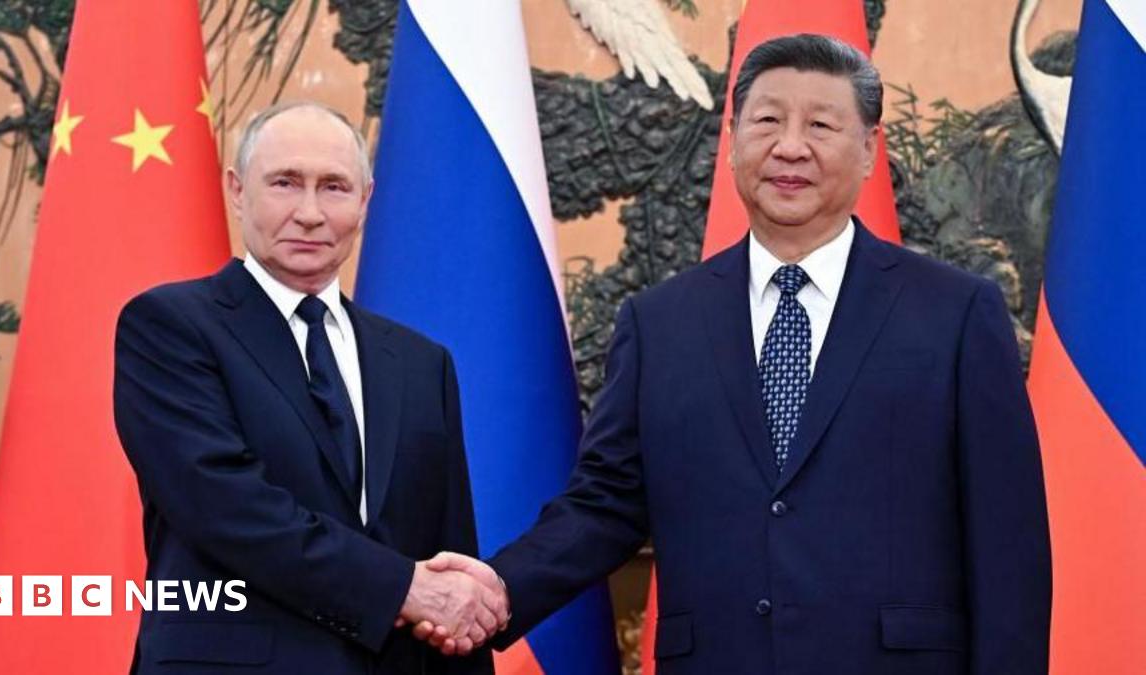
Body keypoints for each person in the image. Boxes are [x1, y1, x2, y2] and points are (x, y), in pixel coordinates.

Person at [421, 34, 1052, 674]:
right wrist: (499, 588)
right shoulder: (659, 322)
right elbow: (604, 503)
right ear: (731, 143)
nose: (790, 146)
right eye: (769, 120)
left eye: (821, 125)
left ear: (868, 151)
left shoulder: (956, 313)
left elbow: (1008, 546)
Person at [113, 101, 504, 674]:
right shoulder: (169, 326)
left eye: (335, 187)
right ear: (238, 190)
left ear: (365, 200)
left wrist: (444, 608)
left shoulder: (422, 364)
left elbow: (448, 554)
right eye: (285, 183)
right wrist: (401, 589)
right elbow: (226, 506)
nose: (310, 213)